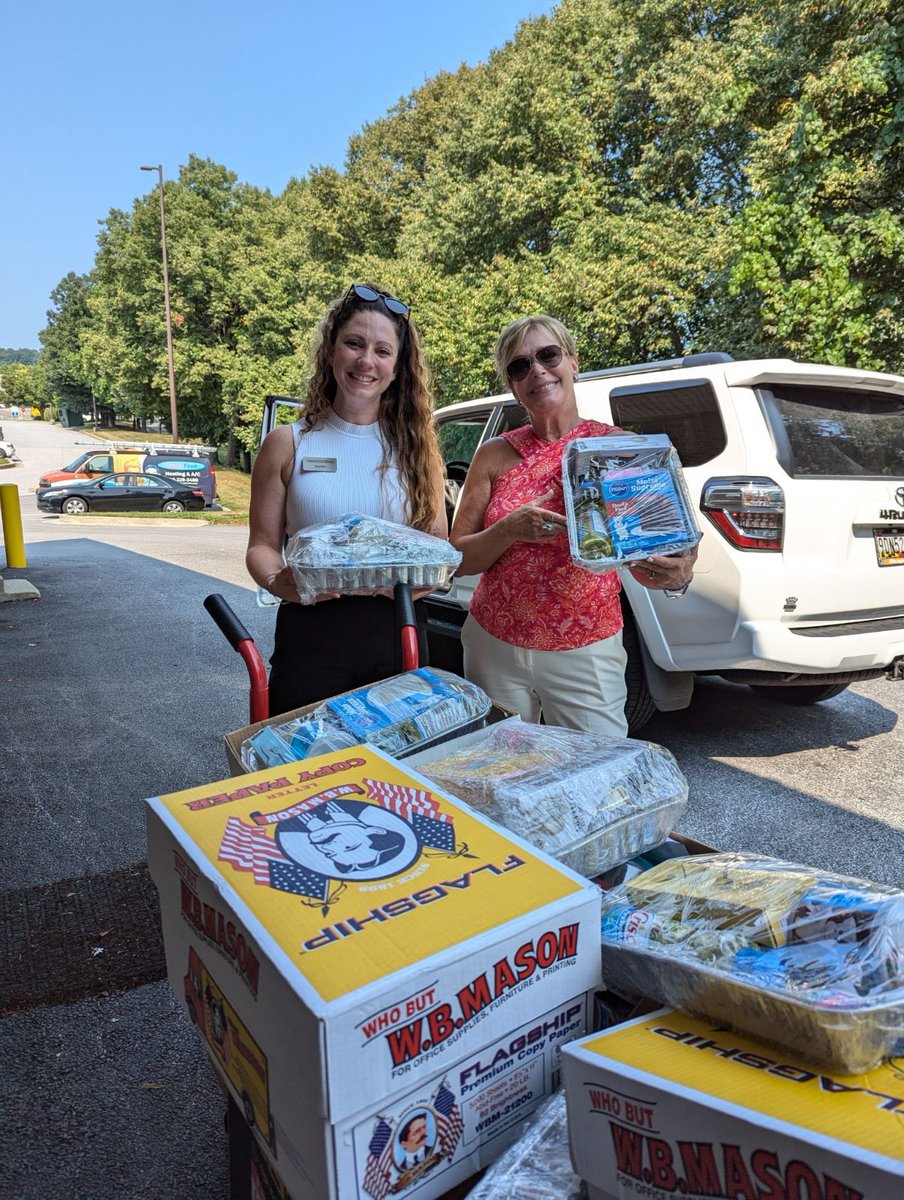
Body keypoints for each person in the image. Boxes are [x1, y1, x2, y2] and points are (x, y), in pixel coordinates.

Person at [450, 315, 697, 738]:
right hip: (495, 644)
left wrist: (678, 571)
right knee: (501, 771)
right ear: (511, 385)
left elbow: (654, 547)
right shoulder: (494, 455)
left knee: (596, 776)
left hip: (586, 648)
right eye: (519, 366)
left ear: (573, 362)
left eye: (548, 355)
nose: (537, 371)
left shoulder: (619, 449)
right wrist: (509, 529)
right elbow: (457, 558)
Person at [246, 284, 446, 716]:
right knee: (304, 769)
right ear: (331, 351)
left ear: (397, 368)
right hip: (311, 630)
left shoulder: (419, 451)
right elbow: (261, 546)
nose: (365, 361)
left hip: (399, 628)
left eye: (382, 351)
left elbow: (436, 543)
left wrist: (418, 582)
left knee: (394, 771)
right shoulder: (288, 444)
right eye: (354, 344)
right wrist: (276, 581)